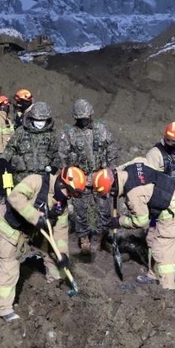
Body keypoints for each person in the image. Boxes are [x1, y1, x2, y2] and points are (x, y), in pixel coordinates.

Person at [0, 166, 87, 321]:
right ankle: (2, 308)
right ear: (62, 184)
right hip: (9, 229)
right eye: (69, 192)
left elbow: (60, 232)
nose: (69, 197)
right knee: (9, 265)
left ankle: (55, 290)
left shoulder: (62, 205)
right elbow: (15, 197)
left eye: (73, 194)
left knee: (55, 257)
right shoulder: (36, 181)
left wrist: (62, 254)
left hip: (34, 231)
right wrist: (35, 217)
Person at [91, 160, 175, 290]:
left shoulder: (133, 195)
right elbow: (142, 160)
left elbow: (141, 221)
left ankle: (167, 289)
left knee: (162, 250)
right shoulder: (128, 167)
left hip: (171, 210)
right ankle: (153, 275)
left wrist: (119, 221)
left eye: (109, 193)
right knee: (151, 237)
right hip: (164, 203)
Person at [57, 99, 118, 255]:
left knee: (104, 210)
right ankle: (83, 239)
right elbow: (62, 156)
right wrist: (66, 176)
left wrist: (111, 169)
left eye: (86, 117)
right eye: (80, 118)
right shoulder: (69, 133)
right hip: (80, 178)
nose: (83, 120)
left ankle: (99, 238)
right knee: (80, 212)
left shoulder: (101, 129)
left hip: (100, 176)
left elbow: (111, 147)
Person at [144, 121, 175, 269]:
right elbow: (147, 182)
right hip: (161, 205)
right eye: (170, 142)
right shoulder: (155, 154)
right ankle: (153, 272)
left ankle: (170, 269)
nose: (174, 145)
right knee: (155, 238)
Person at [0, 101, 60, 198]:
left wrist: (54, 168)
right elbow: (10, 148)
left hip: (42, 179)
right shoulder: (21, 131)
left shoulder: (52, 135)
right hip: (21, 179)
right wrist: (4, 160)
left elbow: (57, 155)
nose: (40, 123)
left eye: (43, 120)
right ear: (32, 118)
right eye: (37, 120)